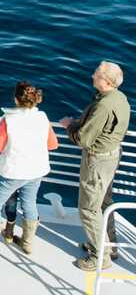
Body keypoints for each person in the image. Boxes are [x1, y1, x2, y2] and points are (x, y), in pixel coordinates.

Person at [0, 81, 59, 264]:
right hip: (36, 170)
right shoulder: (42, 117)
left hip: (13, 172)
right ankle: (27, 243)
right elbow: (52, 144)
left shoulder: (8, 120)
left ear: (16, 99)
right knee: (29, 203)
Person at [60, 61, 130, 271]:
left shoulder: (103, 105)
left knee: (89, 209)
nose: (92, 76)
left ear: (106, 82)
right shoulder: (120, 98)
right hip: (111, 157)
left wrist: (69, 125)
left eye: (96, 74)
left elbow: (83, 139)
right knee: (101, 203)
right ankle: (102, 244)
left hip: (97, 162)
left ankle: (101, 256)